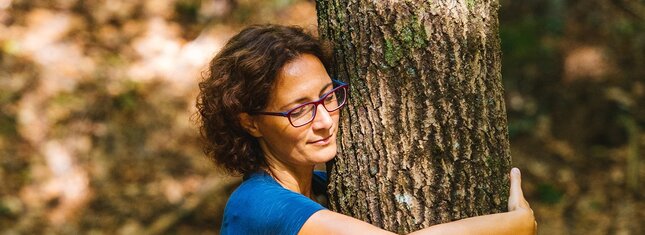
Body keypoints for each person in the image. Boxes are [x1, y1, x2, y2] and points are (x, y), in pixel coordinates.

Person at [196, 24, 536, 235]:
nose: (325, 121)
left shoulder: (323, 186)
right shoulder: (259, 205)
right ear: (250, 121)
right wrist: (512, 226)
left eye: (328, 96)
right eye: (299, 110)